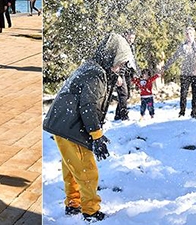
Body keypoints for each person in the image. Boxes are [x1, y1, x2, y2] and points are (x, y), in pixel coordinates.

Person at [43, 33, 134, 222]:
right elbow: (88, 107)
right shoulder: (96, 74)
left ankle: (73, 203)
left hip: (64, 126)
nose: (120, 68)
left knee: (71, 168)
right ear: (110, 57)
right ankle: (90, 210)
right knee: (87, 171)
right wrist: (97, 136)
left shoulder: (93, 69)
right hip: (71, 128)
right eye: (119, 63)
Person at [160, 26, 196, 118]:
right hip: (185, 74)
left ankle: (194, 113)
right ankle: (182, 112)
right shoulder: (182, 46)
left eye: (190, 33)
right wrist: (165, 67)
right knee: (183, 94)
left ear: (194, 34)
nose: (189, 35)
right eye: (187, 34)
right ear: (185, 35)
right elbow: (174, 57)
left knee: (195, 94)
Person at [114, 31, 137, 121]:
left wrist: (135, 73)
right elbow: (117, 61)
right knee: (123, 93)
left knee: (126, 95)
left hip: (128, 73)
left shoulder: (132, 47)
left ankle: (117, 115)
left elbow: (133, 61)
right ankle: (124, 116)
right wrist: (118, 75)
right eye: (130, 38)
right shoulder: (121, 46)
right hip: (120, 73)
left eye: (133, 38)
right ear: (125, 36)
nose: (131, 40)